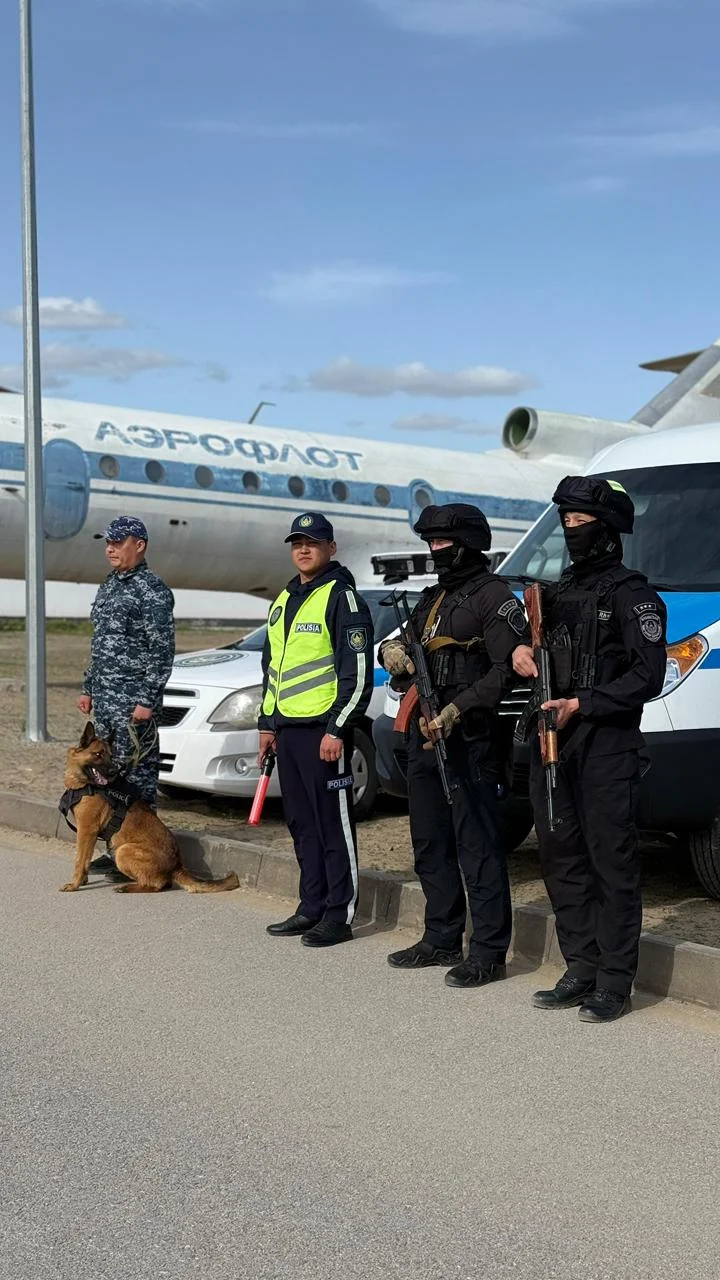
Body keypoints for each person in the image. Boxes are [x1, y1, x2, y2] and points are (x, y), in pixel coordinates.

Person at [512, 476, 667, 1023]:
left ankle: (615, 982)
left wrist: (585, 702)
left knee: (610, 864)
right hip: (553, 743)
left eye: (581, 523)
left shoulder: (633, 596)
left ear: (607, 530)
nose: (571, 531)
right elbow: (534, 647)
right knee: (561, 858)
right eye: (567, 522)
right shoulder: (555, 594)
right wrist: (519, 654)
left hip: (606, 747)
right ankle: (580, 966)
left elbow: (648, 676)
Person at [381, 503, 530, 988]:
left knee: (477, 845)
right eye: (431, 543)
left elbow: (505, 671)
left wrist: (457, 709)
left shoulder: (494, 596)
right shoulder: (433, 598)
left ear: (467, 544)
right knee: (430, 842)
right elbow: (400, 643)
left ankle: (488, 952)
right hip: (424, 732)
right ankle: (441, 937)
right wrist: (392, 651)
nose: (435, 550)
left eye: (443, 542)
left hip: (471, 737)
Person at [259, 513, 374, 948]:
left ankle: (338, 915)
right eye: (297, 543)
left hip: (325, 734)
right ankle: (311, 906)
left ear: (331, 548)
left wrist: (337, 729)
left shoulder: (343, 598)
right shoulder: (283, 600)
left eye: (313, 542)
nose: (303, 550)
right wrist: (267, 725)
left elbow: (356, 675)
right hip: (288, 733)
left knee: (332, 826)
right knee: (302, 824)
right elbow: (272, 670)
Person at [77, 516, 175, 874]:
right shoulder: (109, 586)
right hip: (106, 701)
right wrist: (89, 687)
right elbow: (101, 645)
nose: (110, 549)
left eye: (118, 542)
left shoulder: (152, 590)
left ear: (140, 545)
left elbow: (161, 651)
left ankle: (145, 851)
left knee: (137, 779)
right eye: (108, 543)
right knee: (107, 778)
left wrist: (147, 699)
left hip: (134, 704)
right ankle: (115, 846)